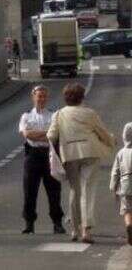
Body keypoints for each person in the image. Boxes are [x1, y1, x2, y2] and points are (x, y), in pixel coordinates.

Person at [48, 82, 116, 243]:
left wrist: (55, 153)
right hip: (90, 152)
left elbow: (51, 135)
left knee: (74, 191)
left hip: (70, 154)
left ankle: (74, 230)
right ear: (82, 97)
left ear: (65, 98)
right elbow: (102, 132)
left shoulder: (58, 114)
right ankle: (86, 230)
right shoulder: (89, 113)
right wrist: (112, 141)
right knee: (88, 190)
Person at [18, 85, 65, 235]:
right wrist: (45, 134)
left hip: (49, 154)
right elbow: (27, 134)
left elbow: (54, 135)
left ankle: (57, 222)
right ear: (33, 97)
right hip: (32, 155)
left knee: (54, 190)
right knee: (29, 190)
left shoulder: (53, 115)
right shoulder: (26, 116)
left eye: (44, 96)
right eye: (39, 96)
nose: (42, 99)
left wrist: (39, 134)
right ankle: (29, 223)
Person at [109, 123, 132, 245]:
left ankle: (129, 225)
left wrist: (113, 187)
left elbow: (115, 172)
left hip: (126, 185)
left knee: (127, 210)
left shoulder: (121, 153)